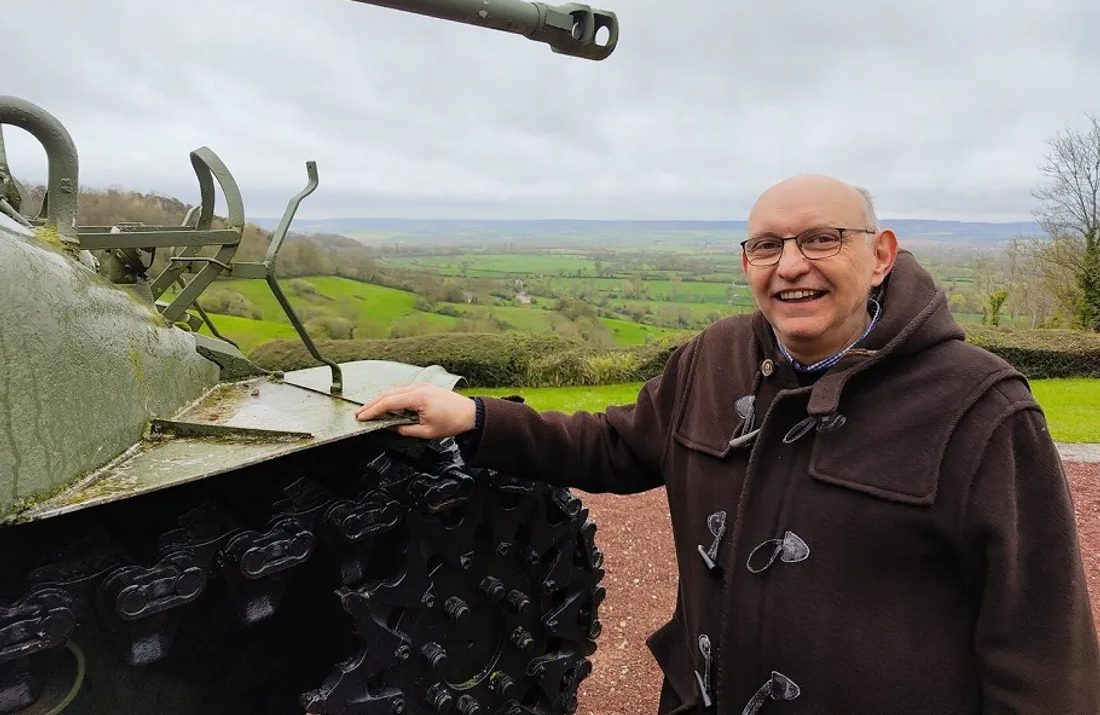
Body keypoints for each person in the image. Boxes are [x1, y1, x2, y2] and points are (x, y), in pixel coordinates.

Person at [354, 173, 1100, 714]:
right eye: (767, 245)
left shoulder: (979, 406)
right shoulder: (713, 358)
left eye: (821, 239)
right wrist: (475, 418)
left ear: (881, 255)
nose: (792, 265)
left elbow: (1038, 637)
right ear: (747, 264)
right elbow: (615, 445)